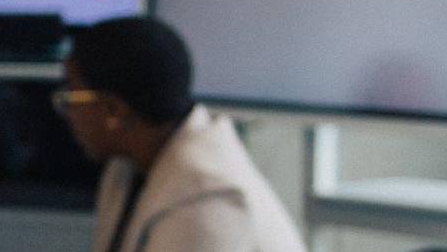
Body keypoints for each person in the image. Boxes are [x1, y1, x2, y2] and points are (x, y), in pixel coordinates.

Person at [54, 17, 304, 252]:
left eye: (71, 96)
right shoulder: (126, 168)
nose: (66, 111)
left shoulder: (207, 202)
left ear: (114, 110)